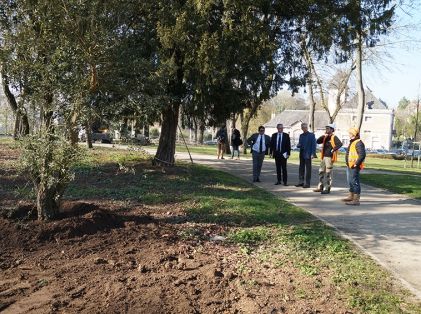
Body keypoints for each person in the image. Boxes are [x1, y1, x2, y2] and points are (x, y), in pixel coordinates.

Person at [313, 123, 343, 194]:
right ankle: (320, 187)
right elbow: (318, 141)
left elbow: (340, 144)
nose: (326, 129)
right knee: (321, 171)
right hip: (323, 157)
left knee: (328, 173)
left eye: (328, 128)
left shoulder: (334, 137)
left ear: (332, 130)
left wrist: (333, 149)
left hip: (329, 158)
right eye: (326, 128)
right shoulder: (325, 137)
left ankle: (327, 188)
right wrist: (323, 135)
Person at [343, 127, 366, 206]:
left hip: (354, 166)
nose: (348, 134)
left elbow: (362, 155)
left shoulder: (359, 142)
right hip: (350, 165)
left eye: (349, 133)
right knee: (350, 181)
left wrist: (356, 163)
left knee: (354, 181)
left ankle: (356, 200)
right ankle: (351, 196)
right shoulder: (352, 142)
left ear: (353, 134)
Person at [295, 123, 316, 188]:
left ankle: (307, 183)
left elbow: (314, 145)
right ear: (301, 128)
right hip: (302, 153)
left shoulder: (311, 135)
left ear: (307, 128)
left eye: (305, 127)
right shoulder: (301, 135)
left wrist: (313, 154)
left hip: (308, 154)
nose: (304, 128)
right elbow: (300, 144)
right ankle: (301, 182)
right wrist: (298, 145)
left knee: (308, 169)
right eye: (303, 127)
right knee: (301, 168)